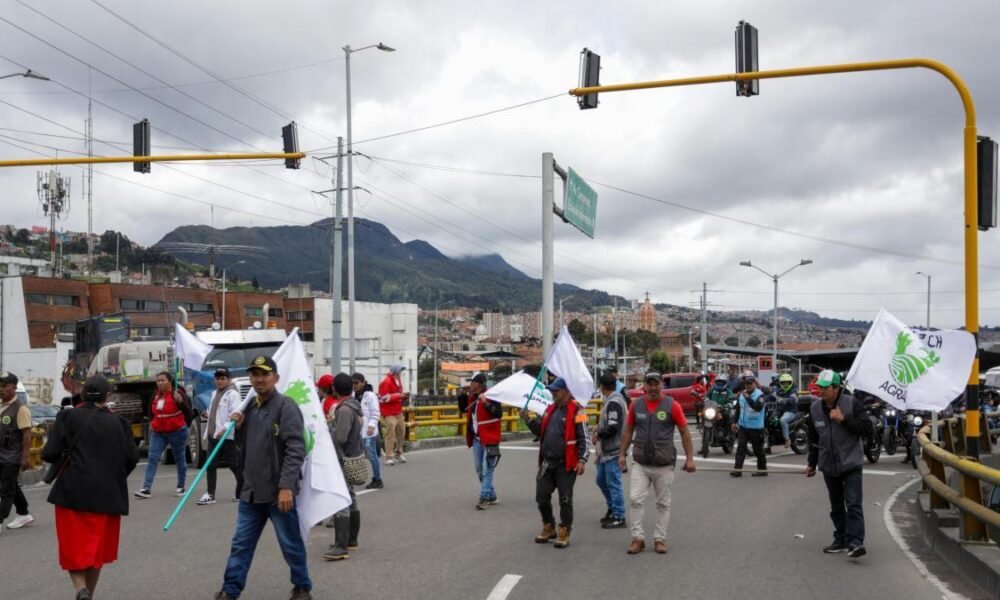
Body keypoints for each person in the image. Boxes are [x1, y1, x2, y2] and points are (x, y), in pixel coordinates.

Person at [214, 355, 312, 600]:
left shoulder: (286, 406)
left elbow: (295, 449)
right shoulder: (249, 408)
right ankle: (230, 590)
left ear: (275, 378)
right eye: (255, 374)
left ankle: (302, 587)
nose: (259, 379)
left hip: (279, 494)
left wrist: (287, 486)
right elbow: (245, 447)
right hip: (251, 492)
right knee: (241, 545)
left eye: (264, 374)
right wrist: (237, 427)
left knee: (290, 544)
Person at [42, 375, 138, 600]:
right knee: (97, 551)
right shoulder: (119, 423)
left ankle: (80, 589)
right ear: (108, 396)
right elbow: (132, 458)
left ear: (83, 395)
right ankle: (89, 594)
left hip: (71, 492)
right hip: (107, 495)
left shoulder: (67, 417)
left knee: (73, 548)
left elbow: (49, 453)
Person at [618, 371, 696, 555]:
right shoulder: (636, 405)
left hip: (664, 463)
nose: (652, 388)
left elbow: (685, 433)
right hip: (641, 463)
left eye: (656, 384)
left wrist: (690, 459)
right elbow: (628, 431)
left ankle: (660, 538)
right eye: (649, 384)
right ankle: (638, 538)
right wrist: (622, 454)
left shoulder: (672, 405)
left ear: (662, 385)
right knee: (636, 499)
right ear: (644, 385)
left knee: (663, 503)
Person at [806, 370, 872, 558]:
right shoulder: (815, 409)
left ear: (836, 388)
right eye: (819, 387)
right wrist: (812, 463)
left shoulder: (852, 404)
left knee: (853, 504)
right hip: (828, 464)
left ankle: (856, 543)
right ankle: (841, 538)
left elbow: (868, 430)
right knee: (836, 506)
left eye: (825, 388)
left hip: (851, 463)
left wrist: (844, 420)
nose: (821, 391)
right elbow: (813, 439)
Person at [521, 378, 589, 549]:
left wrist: (582, 459)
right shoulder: (549, 409)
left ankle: (564, 530)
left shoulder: (578, 410)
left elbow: (584, 438)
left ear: (566, 391)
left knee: (565, 499)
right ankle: (548, 526)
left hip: (566, 464)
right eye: (552, 390)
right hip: (547, 462)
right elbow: (541, 432)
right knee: (541, 496)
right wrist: (528, 420)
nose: (553, 393)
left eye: (556, 391)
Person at [324, 373, 364, 561]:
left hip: (343, 458)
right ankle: (351, 540)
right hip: (352, 455)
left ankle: (341, 546)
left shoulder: (344, 410)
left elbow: (340, 437)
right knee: (351, 497)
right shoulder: (353, 407)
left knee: (342, 500)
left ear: (334, 389)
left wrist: (329, 427)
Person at [135, 372, 189, 499]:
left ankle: (181, 486)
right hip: (158, 432)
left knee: (179, 458)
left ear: (170, 381)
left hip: (176, 431)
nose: (160, 383)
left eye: (162, 380)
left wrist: (180, 402)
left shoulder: (178, 393)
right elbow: (150, 409)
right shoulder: (156, 395)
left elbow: (188, 411)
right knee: (152, 458)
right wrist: (151, 422)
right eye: (158, 381)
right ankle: (146, 488)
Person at [198, 368, 244, 505]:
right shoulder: (214, 393)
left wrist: (225, 428)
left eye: (222, 378)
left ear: (228, 379)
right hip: (213, 434)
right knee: (210, 465)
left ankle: (242, 491)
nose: (219, 381)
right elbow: (214, 409)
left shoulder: (232, 394)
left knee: (234, 465)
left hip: (226, 436)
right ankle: (210, 494)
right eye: (217, 378)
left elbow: (235, 413)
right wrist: (207, 413)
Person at [0, 371, 33, 533]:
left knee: (5, 489)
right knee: (11, 486)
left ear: (13, 387)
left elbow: (27, 434)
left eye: (4, 386)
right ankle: (23, 513)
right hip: (1, 455)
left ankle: (0, 519)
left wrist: (25, 457)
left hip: (12, 457)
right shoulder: (1, 405)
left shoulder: (20, 408)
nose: (1, 389)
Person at [593, 371, 627, 529]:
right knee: (601, 480)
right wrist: (599, 428)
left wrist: (599, 433)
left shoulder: (614, 402)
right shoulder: (611, 400)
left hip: (613, 450)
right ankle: (612, 508)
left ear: (601, 387)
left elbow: (613, 427)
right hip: (606, 451)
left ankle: (619, 516)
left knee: (613, 483)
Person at [465, 373, 502, 510]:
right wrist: (462, 395)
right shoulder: (473, 397)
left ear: (479, 383)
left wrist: (486, 402)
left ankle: (484, 497)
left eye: (472, 382)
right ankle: (492, 495)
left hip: (490, 439)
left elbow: (498, 413)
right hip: (477, 439)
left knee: (487, 469)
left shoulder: (492, 396)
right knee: (479, 469)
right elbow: (463, 410)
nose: (470, 384)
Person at [730, 371, 767, 477]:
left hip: (756, 427)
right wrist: (733, 422)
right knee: (740, 448)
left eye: (750, 383)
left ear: (754, 384)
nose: (748, 385)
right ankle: (737, 470)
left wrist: (747, 398)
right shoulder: (741, 395)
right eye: (746, 384)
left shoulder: (760, 395)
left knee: (758, 450)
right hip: (743, 427)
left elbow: (757, 407)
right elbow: (738, 410)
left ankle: (762, 470)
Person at [352, 373, 383, 490]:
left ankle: (377, 479)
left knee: (372, 456)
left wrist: (371, 425)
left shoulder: (369, 395)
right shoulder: (355, 395)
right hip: (361, 432)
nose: (354, 385)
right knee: (368, 456)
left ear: (363, 382)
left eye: (357, 383)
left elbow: (375, 412)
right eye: (353, 383)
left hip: (369, 431)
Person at [378, 363, 409, 465]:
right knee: (390, 434)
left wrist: (403, 396)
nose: (401, 372)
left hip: (398, 411)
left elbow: (396, 395)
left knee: (402, 432)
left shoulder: (398, 380)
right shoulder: (386, 382)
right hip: (388, 412)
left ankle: (398, 452)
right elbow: (384, 398)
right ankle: (389, 456)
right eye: (400, 370)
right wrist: (400, 395)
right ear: (395, 371)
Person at [776, 373, 799, 449]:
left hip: (790, 411)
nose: (785, 384)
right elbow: (771, 397)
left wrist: (785, 400)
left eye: (787, 382)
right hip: (780, 410)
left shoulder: (793, 391)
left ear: (790, 382)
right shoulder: (779, 391)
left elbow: (793, 399)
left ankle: (787, 439)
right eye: (784, 383)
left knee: (783, 420)